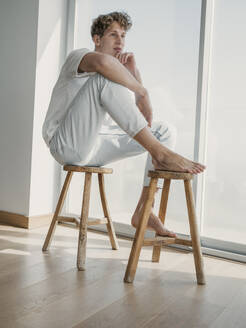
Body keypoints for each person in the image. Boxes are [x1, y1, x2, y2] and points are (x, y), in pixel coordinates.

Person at [42, 11, 206, 237]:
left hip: (97, 145)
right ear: (97, 39)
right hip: (65, 143)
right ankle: (161, 153)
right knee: (103, 79)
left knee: (164, 131)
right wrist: (141, 92)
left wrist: (134, 73)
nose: (120, 41)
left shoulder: (116, 79)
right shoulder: (79, 57)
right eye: (113, 35)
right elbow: (102, 63)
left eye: (123, 35)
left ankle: (144, 210)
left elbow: (141, 120)